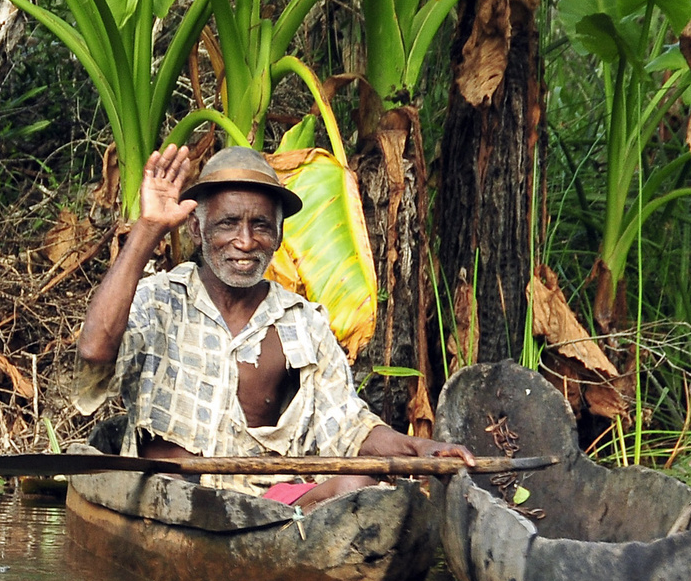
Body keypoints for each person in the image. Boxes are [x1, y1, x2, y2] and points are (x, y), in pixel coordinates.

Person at [74, 144, 473, 509]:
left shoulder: (303, 323)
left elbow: (350, 428)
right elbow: (94, 349)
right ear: (197, 229)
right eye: (228, 223)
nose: (245, 241)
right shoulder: (158, 299)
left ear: (279, 235)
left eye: (261, 225)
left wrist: (419, 447)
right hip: (168, 501)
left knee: (361, 482)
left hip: (266, 507)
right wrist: (148, 228)